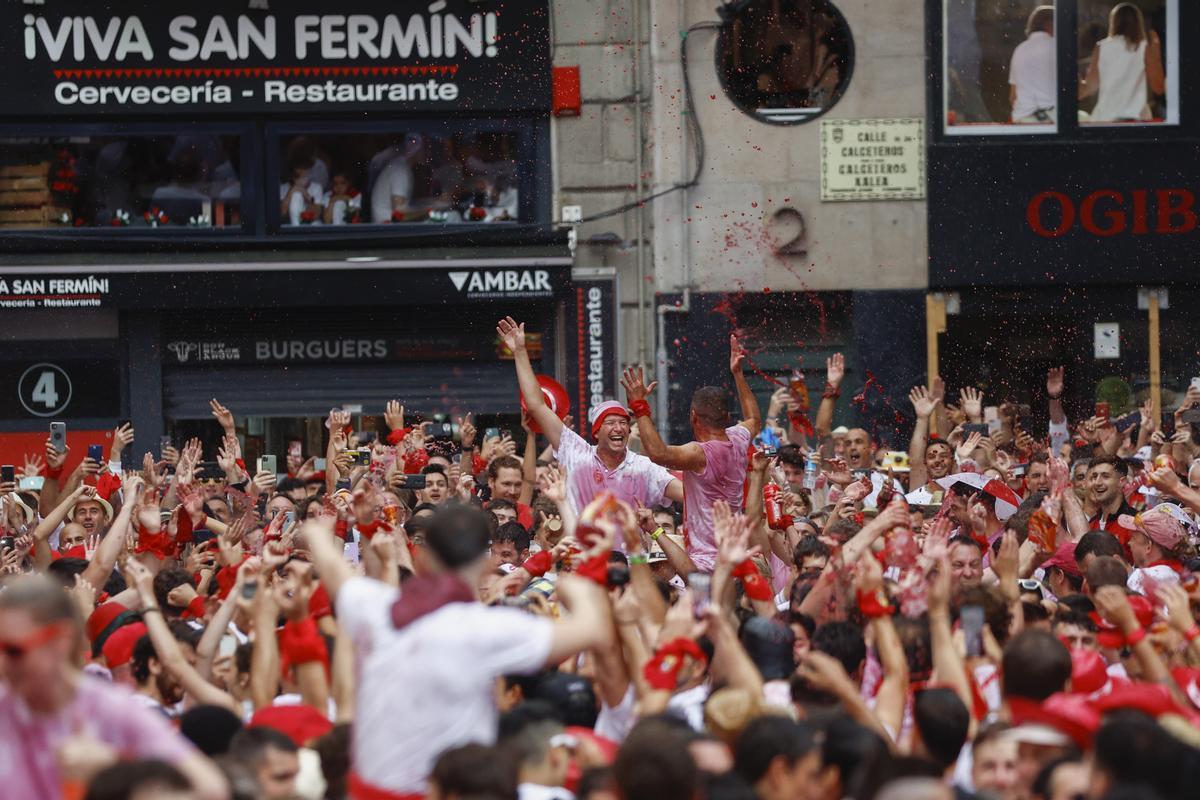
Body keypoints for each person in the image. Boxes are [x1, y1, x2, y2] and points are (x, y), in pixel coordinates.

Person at [303, 505, 614, 797]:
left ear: (424, 558)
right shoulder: (484, 629)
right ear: (483, 562)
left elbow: (335, 573)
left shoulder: (379, 609)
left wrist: (321, 530)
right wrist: (579, 582)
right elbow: (592, 628)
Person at [0, 575, 226, 799]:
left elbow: (210, 787)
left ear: (61, 640)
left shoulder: (110, 708)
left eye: (14, 650)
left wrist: (114, 766)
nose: (2, 663)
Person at [497, 316, 683, 516]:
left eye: (623, 423)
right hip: (584, 548)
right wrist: (520, 352)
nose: (619, 428)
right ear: (596, 432)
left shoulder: (642, 467)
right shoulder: (577, 454)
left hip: (631, 548)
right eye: (610, 423)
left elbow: (687, 494)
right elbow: (536, 405)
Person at [621, 334, 762, 572]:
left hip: (708, 564)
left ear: (694, 417)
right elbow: (755, 420)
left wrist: (639, 406)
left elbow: (658, 453)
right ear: (727, 417)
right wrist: (738, 374)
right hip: (738, 558)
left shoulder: (700, 454)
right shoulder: (738, 438)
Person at [1080, 2, 1166, 122]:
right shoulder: (1145, 47)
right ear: (1138, 23)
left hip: (1106, 119)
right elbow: (1159, 88)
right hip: (1137, 119)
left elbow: (1089, 87)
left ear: (1113, 22)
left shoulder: (1102, 47)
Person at [1009, 6, 1056, 123]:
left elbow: (1013, 97)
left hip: (1023, 121)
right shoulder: (1058, 47)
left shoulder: (1019, 50)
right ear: (1049, 25)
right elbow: (1075, 91)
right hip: (1053, 122)